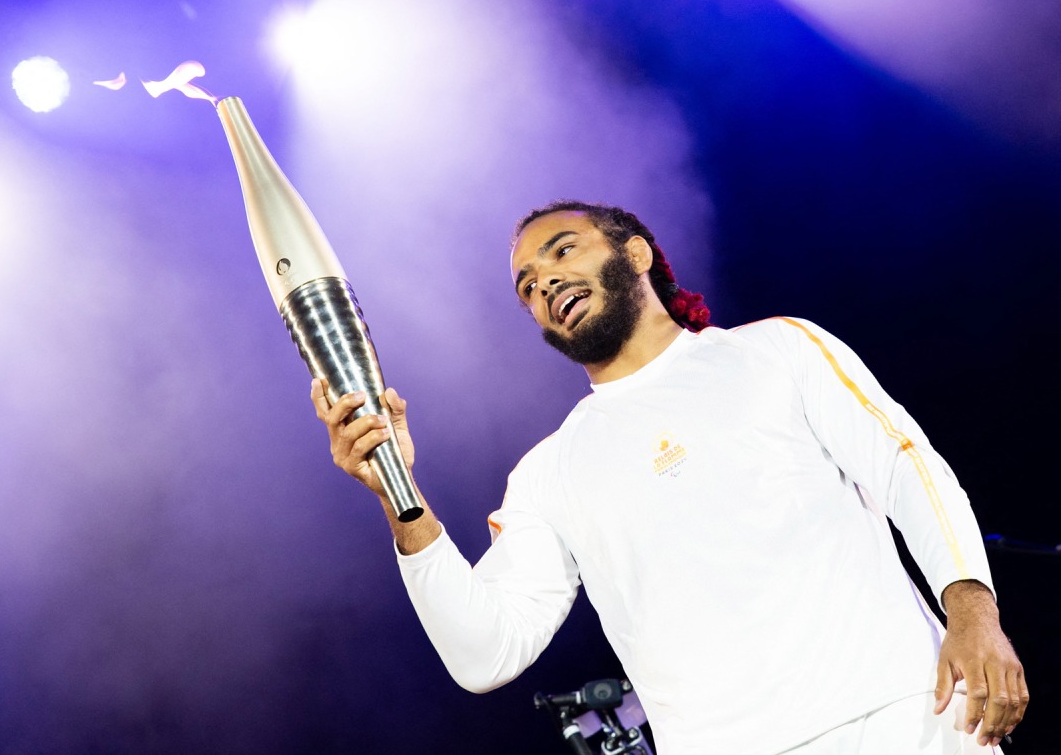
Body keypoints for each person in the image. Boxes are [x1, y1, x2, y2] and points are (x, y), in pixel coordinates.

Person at [310, 201, 1028, 754]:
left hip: (909, 718)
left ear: (637, 253)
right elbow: (485, 651)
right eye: (527, 285)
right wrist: (400, 498)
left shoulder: (778, 350)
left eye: (564, 250)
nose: (545, 281)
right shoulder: (547, 473)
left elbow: (910, 469)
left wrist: (973, 613)